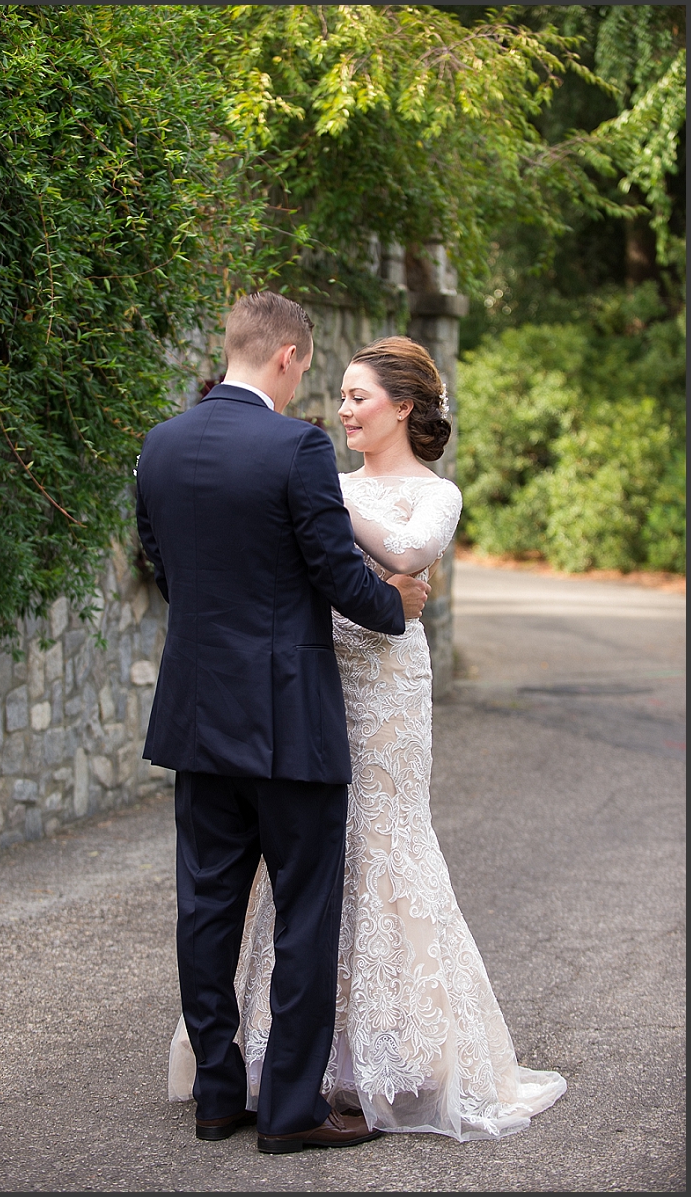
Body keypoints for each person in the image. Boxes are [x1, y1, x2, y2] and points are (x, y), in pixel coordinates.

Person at [167, 336, 568, 1141]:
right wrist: (306, 485)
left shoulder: (434, 492)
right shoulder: (318, 475)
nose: (344, 409)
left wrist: (311, 491)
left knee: (383, 843)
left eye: (359, 397)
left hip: (388, 684)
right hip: (315, 683)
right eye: (341, 396)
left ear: (405, 408)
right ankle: (297, 1060)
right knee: (307, 870)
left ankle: (395, 1056)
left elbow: (413, 553)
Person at [136, 293, 429, 1153]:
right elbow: (339, 571)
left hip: (197, 717)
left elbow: (161, 562)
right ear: (291, 359)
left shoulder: (161, 443)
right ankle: (293, 1109)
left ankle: (219, 1095)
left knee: (207, 907)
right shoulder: (295, 446)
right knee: (305, 911)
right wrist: (399, 605)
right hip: (289, 720)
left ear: (233, 348)